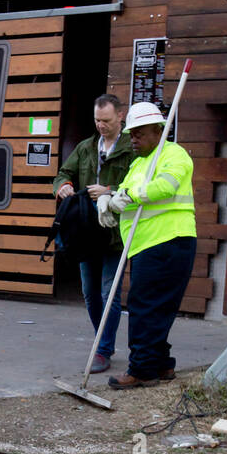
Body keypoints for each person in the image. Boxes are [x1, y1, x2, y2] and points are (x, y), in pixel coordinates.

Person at [98, 101, 196, 389]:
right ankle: (162, 364)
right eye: (132, 135)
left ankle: (142, 369)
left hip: (168, 241)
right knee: (157, 307)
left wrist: (129, 195)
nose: (134, 140)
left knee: (143, 306)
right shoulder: (140, 162)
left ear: (158, 131)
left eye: (140, 134)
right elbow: (128, 193)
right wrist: (110, 200)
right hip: (146, 244)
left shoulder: (174, 155)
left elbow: (165, 186)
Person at [53, 94, 132, 373]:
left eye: (107, 121)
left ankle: (103, 348)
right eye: (97, 120)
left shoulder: (131, 148)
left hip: (115, 232)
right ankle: (104, 341)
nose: (101, 125)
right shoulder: (86, 147)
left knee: (109, 291)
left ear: (120, 116)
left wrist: (109, 191)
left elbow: (138, 186)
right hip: (86, 231)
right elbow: (63, 173)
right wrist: (62, 186)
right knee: (89, 292)